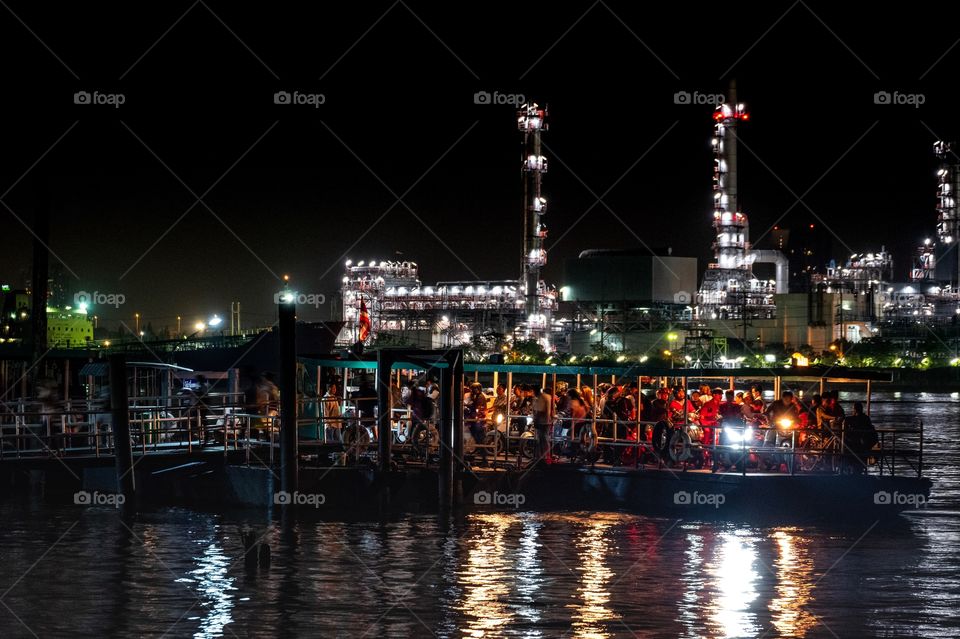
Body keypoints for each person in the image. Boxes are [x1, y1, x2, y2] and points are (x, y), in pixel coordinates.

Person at [844, 402, 878, 473]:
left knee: (846, 448)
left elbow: (846, 433)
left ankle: (849, 467)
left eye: (853, 409)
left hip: (855, 445)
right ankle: (861, 469)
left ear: (855, 410)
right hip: (865, 445)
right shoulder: (866, 418)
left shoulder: (851, 419)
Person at [532, 386, 555, 464]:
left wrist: (535, 420)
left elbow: (540, 411)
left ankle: (544, 457)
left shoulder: (542, 397)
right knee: (544, 439)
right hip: (547, 421)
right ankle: (545, 456)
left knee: (543, 439)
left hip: (543, 421)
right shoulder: (547, 396)